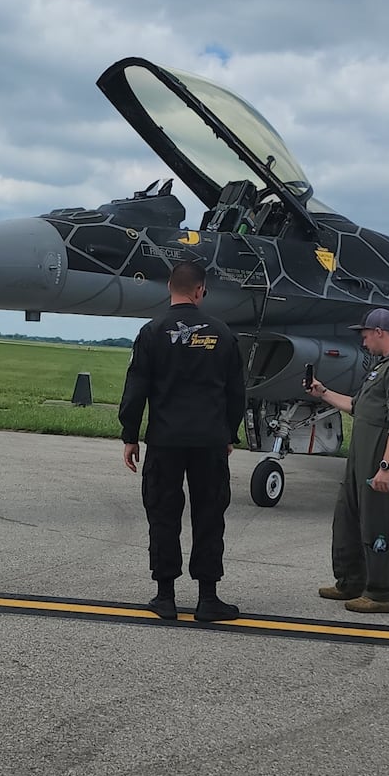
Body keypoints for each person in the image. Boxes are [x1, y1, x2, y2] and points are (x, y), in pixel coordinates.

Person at [119, 261, 247, 623]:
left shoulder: (151, 332)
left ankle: (165, 597)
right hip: (209, 441)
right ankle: (208, 598)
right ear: (200, 290)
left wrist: (131, 436)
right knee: (209, 516)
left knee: (162, 514)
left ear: (171, 289)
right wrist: (228, 433)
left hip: (165, 441)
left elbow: (135, 390)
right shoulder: (223, 335)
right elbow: (237, 394)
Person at [304, 307, 389, 614]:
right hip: (360, 458)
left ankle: (380, 593)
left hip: (378, 459)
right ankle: (351, 582)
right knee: (347, 519)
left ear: (380, 332)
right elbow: (357, 406)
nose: (364, 341)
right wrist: (324, 392)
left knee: (377, 523)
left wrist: (386, 467)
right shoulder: (380, 367)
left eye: (366, 334)